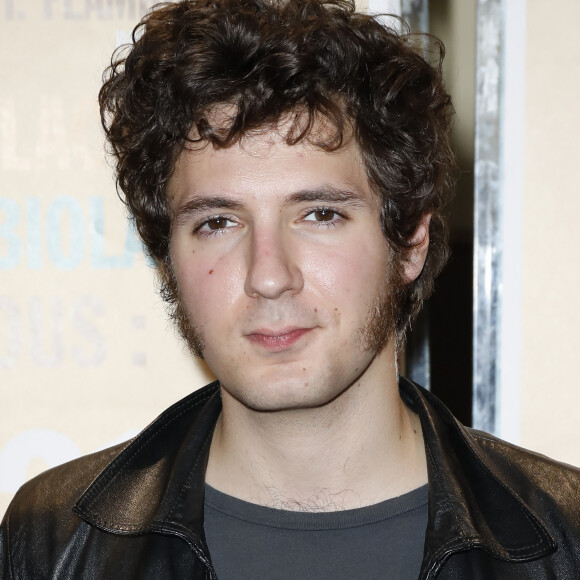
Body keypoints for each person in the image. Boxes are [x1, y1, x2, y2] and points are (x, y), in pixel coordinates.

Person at [1, 0, 579, 578]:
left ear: (410, 243)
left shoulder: (566, 539)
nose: (269, 275)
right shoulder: (53, 543)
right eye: (217, 223)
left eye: (320, 214)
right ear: (167, 260)